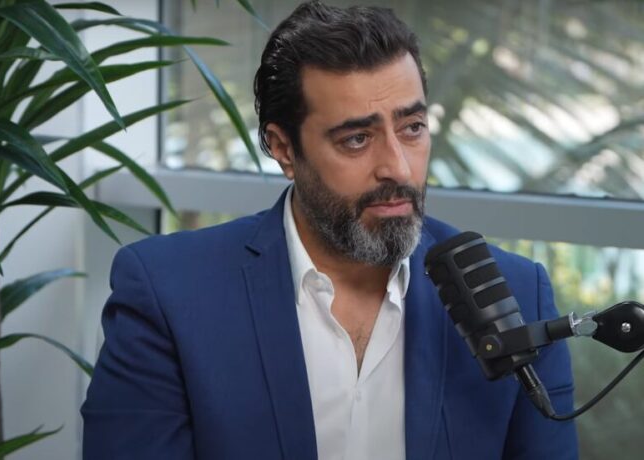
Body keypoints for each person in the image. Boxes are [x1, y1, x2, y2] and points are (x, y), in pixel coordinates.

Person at [82, 1, 579, 459]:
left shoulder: (517, 295)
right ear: (284, 149)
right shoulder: (170, 294)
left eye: (412, 128)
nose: (397, 167)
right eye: (357, 139)